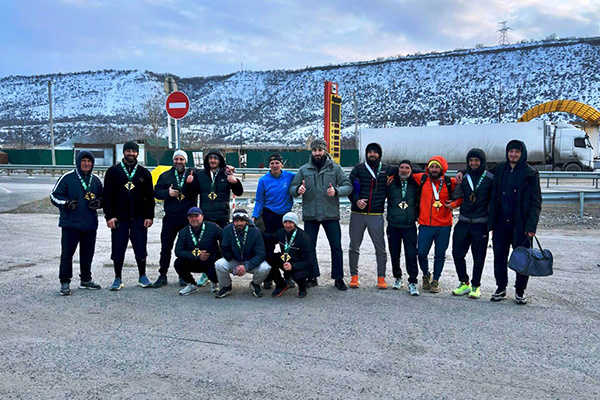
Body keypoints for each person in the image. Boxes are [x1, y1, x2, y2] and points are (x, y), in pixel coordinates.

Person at [290, 138, 353, 291]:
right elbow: (292, 188)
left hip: (330, 214)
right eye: (314, 150)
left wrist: (336, 191)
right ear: (311, 152)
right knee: (309, 247)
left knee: (336, 247)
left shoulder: (335, 168)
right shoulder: (304, 170)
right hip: (311, 214)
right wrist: (298, 190)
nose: (317, 153)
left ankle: (338, 278)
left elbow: (348, 186)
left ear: (325, 151)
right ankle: (312, 276)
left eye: (320, 150)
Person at [488, 140, 541, 304]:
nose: (513, 154)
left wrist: (531, 226)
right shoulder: (500, 168)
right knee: (499, 257)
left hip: (521, 225)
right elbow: (480, 173)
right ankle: (501, 287)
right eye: (511, 151)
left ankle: (520, 290)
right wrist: (462, 172)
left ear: (522, 153)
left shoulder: (530, 173)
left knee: (522, 258)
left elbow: (536, 202)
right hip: (500, 223)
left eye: (517, 152)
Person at [103, 141, 155, 291]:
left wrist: (149, 216)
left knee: (140, 248)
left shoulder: (144, 173)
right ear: (124, 152)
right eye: (128, 151)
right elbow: (107, 196)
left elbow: (149, 197)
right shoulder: (113, 172)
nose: (131, 153)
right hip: (119, 218)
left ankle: (142, 276)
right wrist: (109, 216)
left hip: (139, 218)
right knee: (118, 248)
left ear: (137, 153)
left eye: (134, 151)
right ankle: (117, 278)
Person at [50, 150, 103, 296]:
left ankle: (85, 279)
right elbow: (54, 196)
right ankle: (65, 281)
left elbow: (103, 198)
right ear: (78, 162)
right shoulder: (68, 177)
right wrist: (66, 203)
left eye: (89, 161)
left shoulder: (95, 180)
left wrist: (99, 203)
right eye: (83, 161)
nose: (86, 164)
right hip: (70, 224)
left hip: (90, 224)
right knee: (67, 254)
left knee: (88, 254)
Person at [152, 150, 205, 288]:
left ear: (186, 161)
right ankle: (162, 275)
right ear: (173, 160)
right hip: (170, 218)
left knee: (185, 248)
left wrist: (190, 183)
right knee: (166, 247)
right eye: (176, 159)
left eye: (181, 159)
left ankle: (183, 275)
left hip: (187, 219)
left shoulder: (192, 174)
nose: (179, 162)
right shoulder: (165, 175)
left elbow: (197, 191)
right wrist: (167, 193)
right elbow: (156, 192)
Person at [450, 149, 494, 299]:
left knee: (478, 257)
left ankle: (476, 285)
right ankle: (464, 282)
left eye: (476, 160)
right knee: (457, 253)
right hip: (463, 221)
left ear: (482, 162)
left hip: (480, 223)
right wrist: (458, 180)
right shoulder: (463, 177)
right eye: (470, 161)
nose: (473, 163)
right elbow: (456, 195)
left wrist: (492, 223)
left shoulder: (490, 178)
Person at [412, 156, 459, 293]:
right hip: (425, 224)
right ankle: (426, 274)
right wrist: (391, 177)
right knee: (421, 253)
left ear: (442, 168)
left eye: (437, 167)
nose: (434, 169)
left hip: (444, 226)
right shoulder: (422, 179)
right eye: (431, 167)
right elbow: (404, 172)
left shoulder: (450, 182)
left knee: (440, 254)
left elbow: (463, 194)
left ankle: (436, 280)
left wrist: (454, 204)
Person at [347, 142, 391, 289]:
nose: (372, 154)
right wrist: (356, 201)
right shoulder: (358, 168)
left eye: (375, 152)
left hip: (376, 214)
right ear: (366, 154)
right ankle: (354, 276)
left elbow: (406, 168)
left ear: (379, 155)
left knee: (380, 248)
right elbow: (349, 187)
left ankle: (381, 277)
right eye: (370, 152)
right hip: (357, 214)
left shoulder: (386, 169)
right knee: (354, 247)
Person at [252, 152, 296, 289]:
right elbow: (259, 200)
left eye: (277, 163)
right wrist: (254, 216)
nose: (275, 165)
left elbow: (300, 185)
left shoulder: (290, 176)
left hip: (285, 217)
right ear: (269, 165)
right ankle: (268, 277)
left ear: (282, 164)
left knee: (286, 248)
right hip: (269, 216)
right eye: (272, 163)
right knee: (268, 248)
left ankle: (288, 276)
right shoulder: (263, 180)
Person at [214, 209, 271, 298]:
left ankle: (255, 284)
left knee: (265, 268)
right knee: (219, 264)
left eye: (242, 221)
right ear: (233, 221)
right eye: (236, 221)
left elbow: (261, 253)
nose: (239, 223)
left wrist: (246, 266)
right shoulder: (227, 230)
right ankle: (226, 286)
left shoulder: (255, 231)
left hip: (250, 261)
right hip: (234, 260)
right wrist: (231, 260)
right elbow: (224, 248)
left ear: (247, 221)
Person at [386, 159, 421, 296]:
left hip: (409, 225)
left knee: (411, 254)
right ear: (398, 169)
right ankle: (398, 277)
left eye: (407, 168)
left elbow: (423, 172)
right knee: (394, 253)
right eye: (401, 168)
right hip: (393, 225)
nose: (404, 170)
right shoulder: (390, 183)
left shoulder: (415, 184)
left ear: (411, 170)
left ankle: (412, 281)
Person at [184, 149, 243, 228]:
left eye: (215, 158)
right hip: (206, 216)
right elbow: (192, 194)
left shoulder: (227, 174)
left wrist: (235, 182)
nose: (212, 160)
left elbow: (239, 192)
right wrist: (190, 183)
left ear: (220, 160)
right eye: (210, 158)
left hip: (222, 216)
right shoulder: (201, 174)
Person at [174, 207, 222, 296]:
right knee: (178, 262)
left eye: (196, 216)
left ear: (202, 216)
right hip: (193, 261)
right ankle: (192, 284)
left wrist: (220, 256)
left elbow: (224, 243)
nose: (194, 219)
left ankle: (214, 283)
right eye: (191, 217)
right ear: (188, 218)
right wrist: (197, 255)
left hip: (209, 261)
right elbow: (178, 251)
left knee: (220, 264)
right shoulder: (183, 232)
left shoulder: (213, 227)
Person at [265, 212, 313, 298]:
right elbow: (269, 237)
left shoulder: (304, 238)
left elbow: (308, 262)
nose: (287, 225)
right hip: (285, 259)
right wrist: (254, 230)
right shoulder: (281, 232)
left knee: (298, 276)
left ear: (295, 223)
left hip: (299, 263)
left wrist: (293, 266)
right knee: (269, 257)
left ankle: (302, 288)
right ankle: (281, 284)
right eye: (285, 222)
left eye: (290, 222)